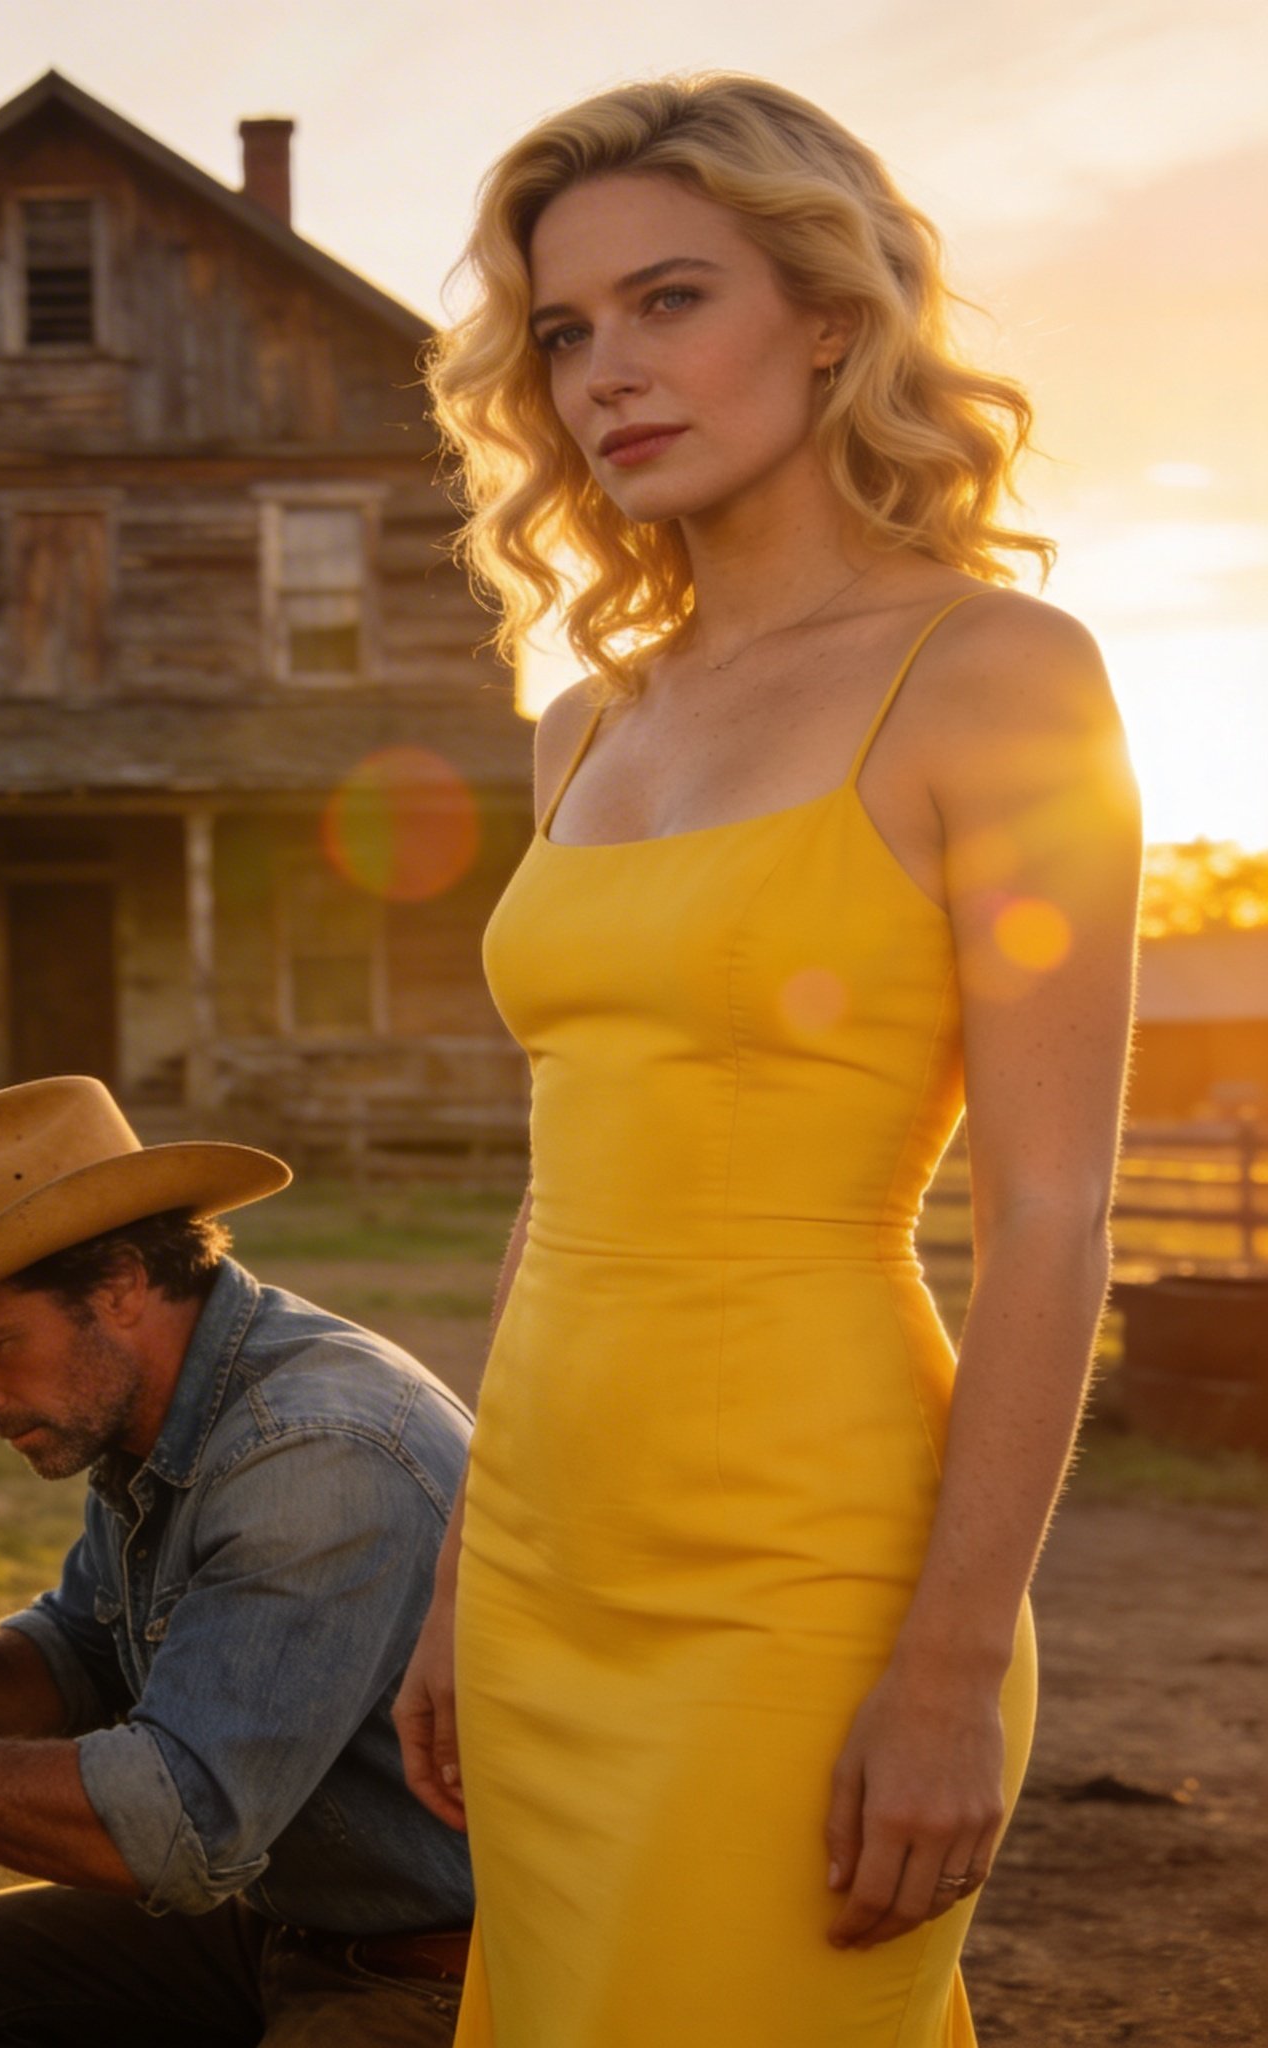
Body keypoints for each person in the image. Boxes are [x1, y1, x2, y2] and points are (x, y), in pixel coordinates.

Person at [388, 74, 1140, 2046]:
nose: (607, 375)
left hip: (811, 1578)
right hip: (548, 1548)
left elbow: (1051, 1211)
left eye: (668, 301)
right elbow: (568, 1179)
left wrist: (949, 1663)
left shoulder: (994, 679)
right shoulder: (581, 725)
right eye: (563, 333)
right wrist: (469, 1563)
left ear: (827, 312)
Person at [0, 1075, 476, 2046]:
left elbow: (173, 1829)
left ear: (120, 1284)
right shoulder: (164, 1409)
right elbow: (76, 1659)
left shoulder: (311, 1460)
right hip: (293, 1921)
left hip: (444, 1971)